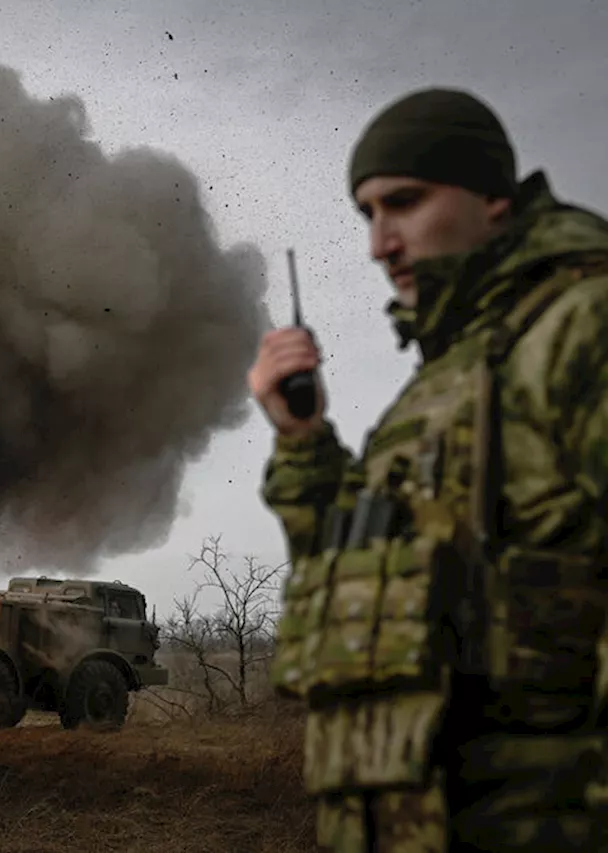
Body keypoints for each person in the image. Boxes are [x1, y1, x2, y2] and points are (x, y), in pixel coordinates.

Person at [249, 87, 608, 851]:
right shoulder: (445, 380)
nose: (381, 242)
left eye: (404, 203)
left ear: (494, 198)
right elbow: (352, 582)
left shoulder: (582, 323)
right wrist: (304, 440)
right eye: (368, 215)